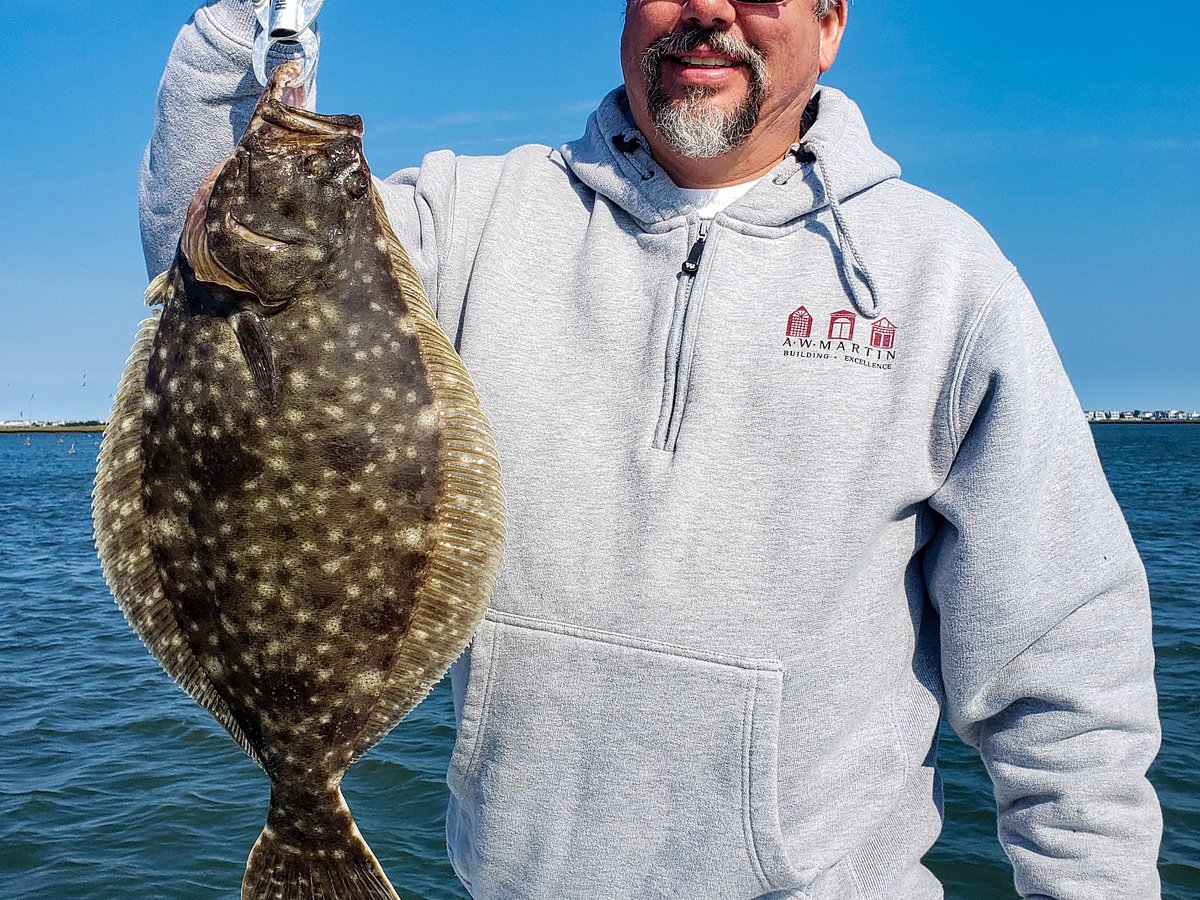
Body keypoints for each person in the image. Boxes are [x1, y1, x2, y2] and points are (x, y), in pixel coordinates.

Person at [140, 1, 1163, 897]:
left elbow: (1063, 673)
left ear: (831, 23)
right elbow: (214, 273)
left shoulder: (945, 279)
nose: (705, 11)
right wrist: (236, 30)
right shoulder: (469, 217)